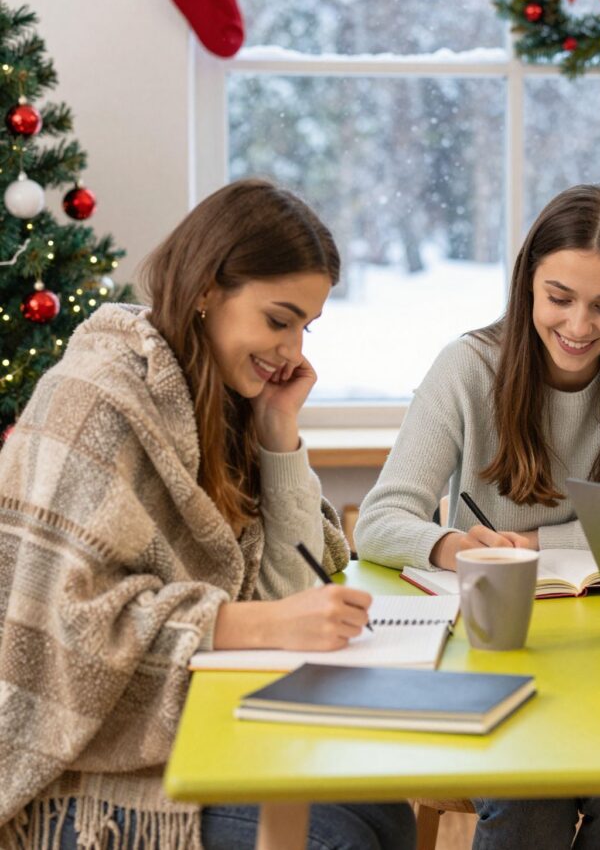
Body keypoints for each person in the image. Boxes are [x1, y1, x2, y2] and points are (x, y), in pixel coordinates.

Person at [0, 180, 416, 850]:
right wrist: (249, 622)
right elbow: (58, 636)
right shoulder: (92, 402)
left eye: (304, 328)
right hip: (76, 767)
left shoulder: (223, 404)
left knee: (384, 812)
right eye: (278, 321)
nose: (292, 350)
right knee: (336, 835)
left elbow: (292, 593)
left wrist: (278, 431)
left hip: (211, 721)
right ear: (205, 290)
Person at [356, 183, 600, 849]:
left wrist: (538, 538)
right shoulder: (468, 367)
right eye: (559, 299)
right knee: (528, 806)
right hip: (502, 657)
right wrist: (451, 545)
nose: (579, 327)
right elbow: (380, 518)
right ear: (527, 284)